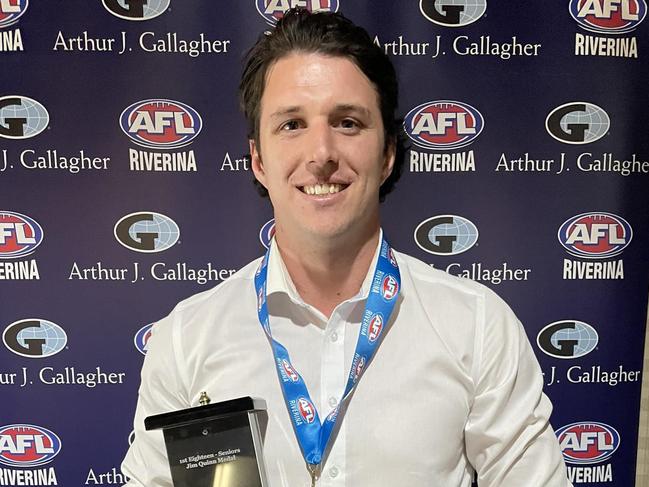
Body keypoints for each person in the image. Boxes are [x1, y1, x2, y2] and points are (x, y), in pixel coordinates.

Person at [121, 8, 571, 487]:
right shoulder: (186, 339)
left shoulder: (477, 327)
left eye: (348, 123)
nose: (321, 154)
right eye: (292, 124)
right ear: (257, 159)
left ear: (388, 154)